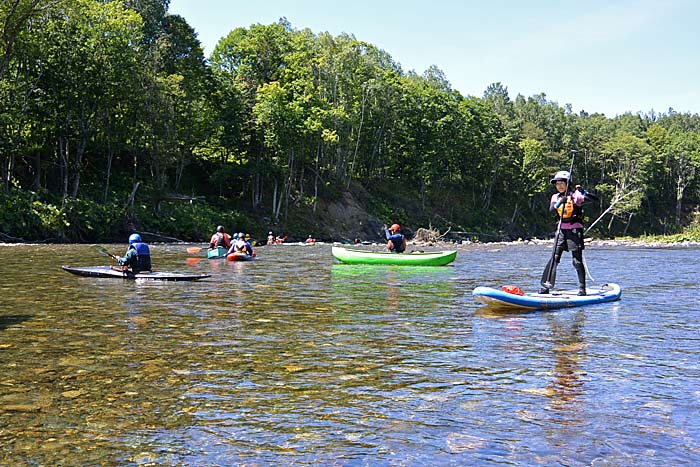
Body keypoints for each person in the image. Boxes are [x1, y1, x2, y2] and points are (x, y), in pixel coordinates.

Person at [540, 170, 589, 296]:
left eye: (562, 183)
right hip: (561, 230)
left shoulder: (575, 196)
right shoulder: (555, 197)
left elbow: (591, 198)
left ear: (567, 183)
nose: (560, 186)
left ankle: (582, 288)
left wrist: (583, 192)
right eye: (557, 184)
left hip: (574, 230)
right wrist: (560, 202)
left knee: (576, 261)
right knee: (554, 259)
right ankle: (546, 287)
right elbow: (551, 210)